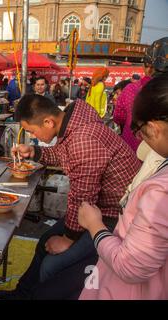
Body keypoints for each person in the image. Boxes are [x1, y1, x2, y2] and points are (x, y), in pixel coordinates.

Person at [0, 94, 141, 300]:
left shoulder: (84, 140)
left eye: (31, 131)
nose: (31, 135)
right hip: (94, 210)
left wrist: (68, 239)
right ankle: (23, 294)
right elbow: (63, 154)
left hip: (113, 217)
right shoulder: (73, 122)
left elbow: (83, 197)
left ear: (48, 121)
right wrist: (34, 151)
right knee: (45, 240)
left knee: (52, 264)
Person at [79, 74, 168, 300]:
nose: (139, 140)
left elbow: (131, 267)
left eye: (138, 131)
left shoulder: (160, 193)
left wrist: (94, 225)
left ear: (154, 127)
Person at [113, 60, 155, 152]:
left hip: (132, 144)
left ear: (144, 67)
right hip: (159, 149)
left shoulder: (130, 89)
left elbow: (118, 117)